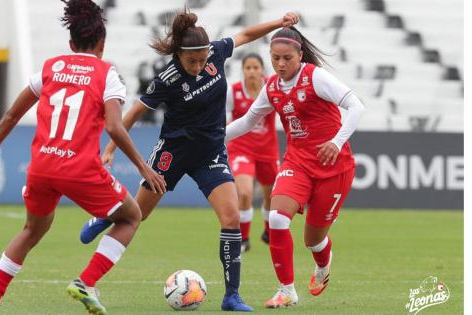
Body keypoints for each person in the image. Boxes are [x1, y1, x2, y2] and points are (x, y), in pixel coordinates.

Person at [79, 8, 300, 312]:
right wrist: (110, 149)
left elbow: (247, 35)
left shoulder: (216, 53)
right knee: (139, 215)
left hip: (210, 152)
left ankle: (231, 296)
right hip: (174, 154)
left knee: (231, 217)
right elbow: (131, 114)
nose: (198, 66)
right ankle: (105, 217)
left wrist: (279, 22)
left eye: (202, 59)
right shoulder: (167, 79)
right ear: (179, 56)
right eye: (191, 61)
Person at [0, 1, 166, 314]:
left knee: (30, 231)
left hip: (42, 167)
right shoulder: (107, 74)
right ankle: (86, 282)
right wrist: (145, 167)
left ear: (71, 44)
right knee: (131, 216)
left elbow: (10, 115)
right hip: (79, 169)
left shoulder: (50, 68)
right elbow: (115, 128)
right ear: (102, 44)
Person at [225, 27, 365, 308]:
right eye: (275, 58)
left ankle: (323, 263)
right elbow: (247, 121)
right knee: (277, 218)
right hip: (297, 162)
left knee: (313, 240)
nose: (280, 64)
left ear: (300, 55)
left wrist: (336, 143)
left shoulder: (315, 77)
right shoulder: (273, 87)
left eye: (287, 58)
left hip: (333, 166)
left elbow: (356, 106)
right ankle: (286, 290)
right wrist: (212, 138)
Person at [225, 53, 279, 252]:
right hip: (241, 148)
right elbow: (225, 119)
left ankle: (268, 232)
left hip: (267, 149)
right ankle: (244, 239)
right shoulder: (234, 92)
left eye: (256, 67)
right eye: (248, 68)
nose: (252, 72)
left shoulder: (273, 87)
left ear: (262, 70)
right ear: (243, 71)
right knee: (245, 193)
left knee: (272, 195)